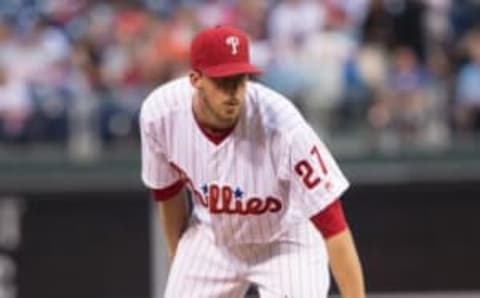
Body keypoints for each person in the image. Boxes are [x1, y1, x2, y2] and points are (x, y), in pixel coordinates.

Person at [139, 25, 365, 298]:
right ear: (196, 79)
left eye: (240, 79)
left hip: (286, 239)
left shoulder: (284, 127)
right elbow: (168, 195)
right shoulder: (160, 114)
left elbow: (335, 226)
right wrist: (183, 267)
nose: (233, 92)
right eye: (222, 81)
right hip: (212, 237)